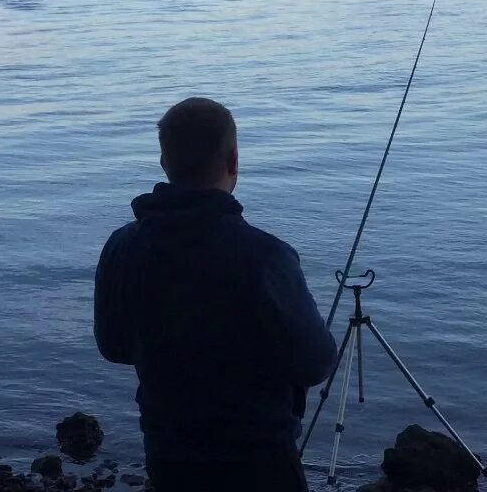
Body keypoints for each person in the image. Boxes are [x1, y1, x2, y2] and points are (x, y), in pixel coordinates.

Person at [95, 97, 337, 492]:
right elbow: (316, 363)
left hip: (169, 456)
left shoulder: (123, 247)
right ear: (234, 160)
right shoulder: (265, 257)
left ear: (164, 162)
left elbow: (113, 347)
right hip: (260, 463)